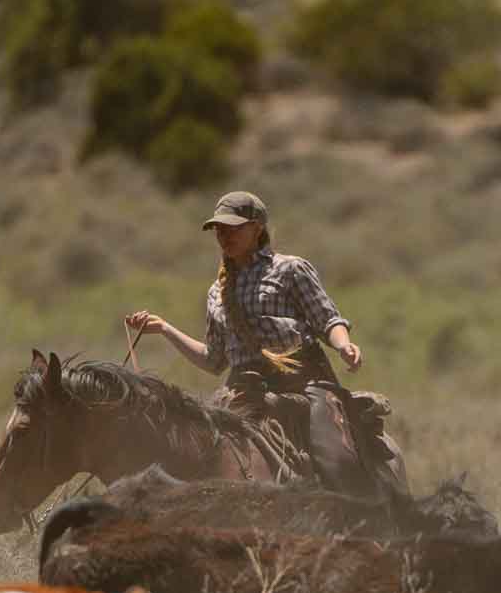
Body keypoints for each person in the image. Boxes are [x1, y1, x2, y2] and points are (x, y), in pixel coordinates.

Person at [127, 190, 404, 499]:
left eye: (233, 227)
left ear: (257, 227)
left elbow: (327, 320)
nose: (224, 235)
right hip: (243, 390)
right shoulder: (216, 293)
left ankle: (374, 507)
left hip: (302, 383)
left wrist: (344, 346)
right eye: (219, 229)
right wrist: (165, 329)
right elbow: (214, 360)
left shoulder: (289, 269)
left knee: (336, 456)